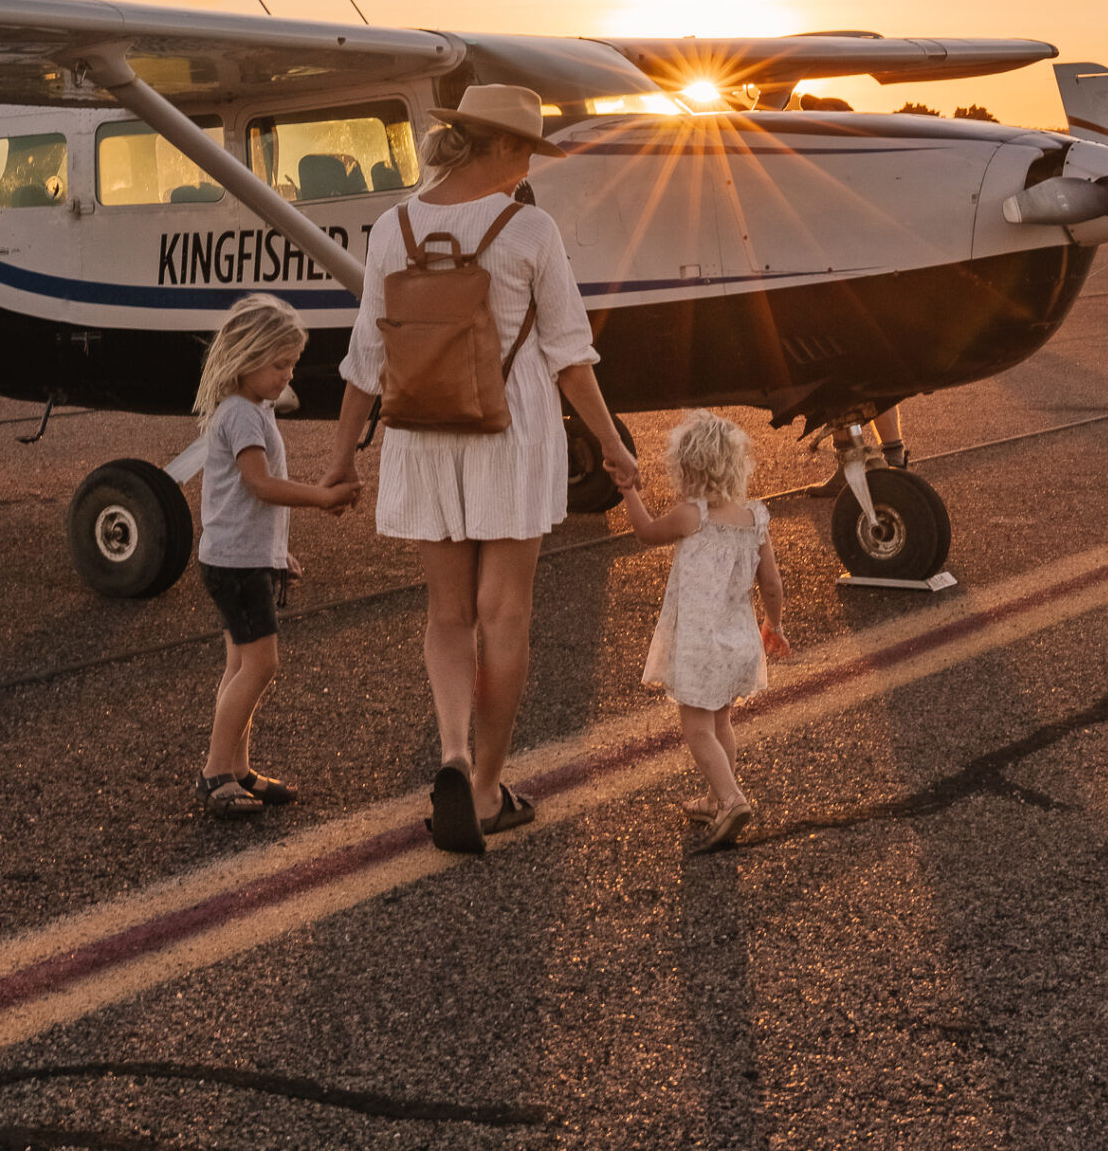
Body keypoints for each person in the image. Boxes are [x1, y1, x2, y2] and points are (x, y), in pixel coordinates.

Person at [322, 85, 638, 854]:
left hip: (423, 433)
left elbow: (366, 359)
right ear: (499, 146)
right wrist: (616, 449)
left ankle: (453, 754)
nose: (530, 164)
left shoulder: (392, 228)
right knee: (505, 615)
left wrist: (339, 460)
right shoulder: (528, 227)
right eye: (527, 148)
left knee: (447, 614)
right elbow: (568, 353)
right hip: (511, 432)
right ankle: (490, 788)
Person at [193, 294, 362, 818]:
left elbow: (242, 503)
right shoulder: (242, 415)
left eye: (291, 364)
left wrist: (276, 554)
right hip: (235, 564)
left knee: (241, 663)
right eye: (279, 365)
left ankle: (237, 769)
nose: (287, 376)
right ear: (246, 357)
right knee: (261, 665)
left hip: (238, 558)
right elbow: (261, 486)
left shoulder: (253, 408)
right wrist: (323, 497)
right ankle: (216, 773)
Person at [614, 408, 790, 850]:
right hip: (739, 640)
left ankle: (731, 799)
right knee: (720, 721)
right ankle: (715, 798)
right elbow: (771, 582)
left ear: (686, 469)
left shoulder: (692, 514)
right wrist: (774, 623)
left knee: (696, 729)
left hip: (699, 643)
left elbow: (646, 533)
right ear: (736, 466)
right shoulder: (756, 517)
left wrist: (629, 491)